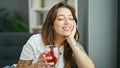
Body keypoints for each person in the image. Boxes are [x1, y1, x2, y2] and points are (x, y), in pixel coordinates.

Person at [16, 2, 95, 68]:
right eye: (61, 18)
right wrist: (36, 66)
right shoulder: (35, 41)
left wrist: (71, 40)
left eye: (71, 18)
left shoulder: (75, 47)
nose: (67, 22)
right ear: (52, 24)